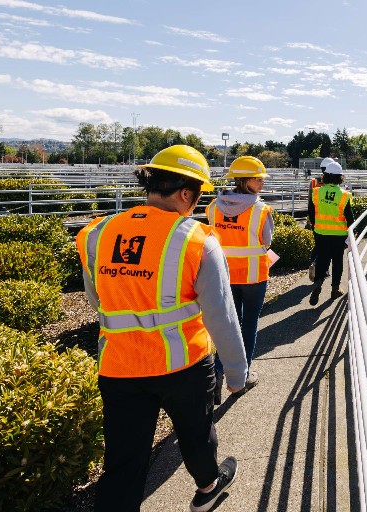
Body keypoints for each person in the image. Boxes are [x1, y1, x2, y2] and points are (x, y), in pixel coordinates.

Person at [77, 144, 247, 512]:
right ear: (186, 192)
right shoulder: (198, 239)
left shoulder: (97, 233)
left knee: (123, 458)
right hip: (183, 363)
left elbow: (97, 299)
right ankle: (207, 489)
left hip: (119, 365)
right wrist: (236, 372)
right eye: (198, 194)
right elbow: (221, 315)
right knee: (197, 437)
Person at [205, 156, 273, 400]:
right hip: (254, 276)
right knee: (249, 324)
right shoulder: (260, 210)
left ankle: (219, 372)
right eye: (258, 179)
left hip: (223, 274)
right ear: (245, 180)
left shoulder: (213, 206)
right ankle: (242, 377)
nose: (262, 183)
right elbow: (267, 242)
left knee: (226, 325)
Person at [307, 161, 353, 306]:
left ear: (325, 176)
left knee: (322, 260)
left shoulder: (316, 192)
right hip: (338, 235)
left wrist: (316, 226)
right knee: (337, 262)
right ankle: (334, 289)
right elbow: (350, 218)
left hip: (320, 232)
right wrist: (351, 235)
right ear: (340, 178)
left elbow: (311, 213)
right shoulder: (344, 195)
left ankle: (318, 284)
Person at [306, 157, 335, 281]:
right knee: (328, 246)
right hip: (330, 219)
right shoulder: (334, 182)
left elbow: (310, 202)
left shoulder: (313, 182)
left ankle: (314, 262)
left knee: (318, 244)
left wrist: (311, 219)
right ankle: (324, 269)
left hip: (316, 218)